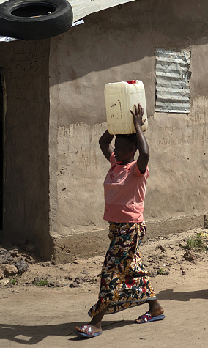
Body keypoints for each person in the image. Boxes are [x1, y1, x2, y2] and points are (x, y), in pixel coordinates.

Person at [75, 104, 164, 338]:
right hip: (116, 229)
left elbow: (146, 153)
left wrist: (136, 126)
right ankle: (155, 308)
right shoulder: (116, 163)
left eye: (122, 148)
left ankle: (96, 321)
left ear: (132, 149)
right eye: (117, 147)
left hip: (130, 228)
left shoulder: (137, 168)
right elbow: (103, 143)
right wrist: (114, 124)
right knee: (134, 267)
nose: (116, 150)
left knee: (110, 271)